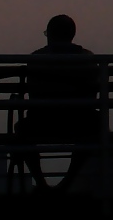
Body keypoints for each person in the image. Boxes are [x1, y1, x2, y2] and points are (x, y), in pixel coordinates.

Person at [17, 14, 100, 190]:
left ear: (50, 34)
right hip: (80, 123)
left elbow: (33, 94)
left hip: (42, 123)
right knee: (96, 125)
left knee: (21, 129)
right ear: (72, 35)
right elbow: (92, 95)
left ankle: (41, 183)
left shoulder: (36, 59)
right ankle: (67, 183)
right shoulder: (88, 58)